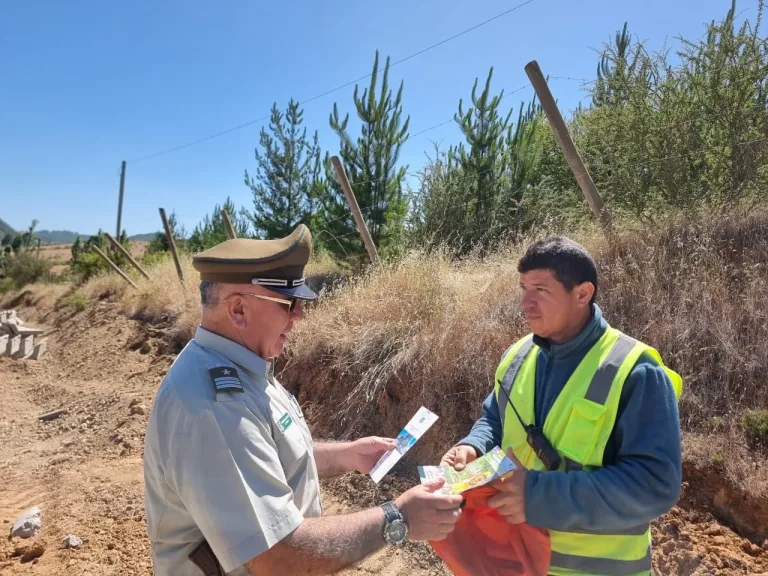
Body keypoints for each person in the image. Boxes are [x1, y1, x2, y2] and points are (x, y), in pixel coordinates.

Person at [143, 224, 463, 576]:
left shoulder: (243, 369)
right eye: (288, 303)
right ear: (238, 310)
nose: (299, 315)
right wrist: (397, 518)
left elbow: (266, 456)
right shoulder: (214, 405)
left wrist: (346, 455)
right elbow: (278, 556)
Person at [440, 236, 683, 576]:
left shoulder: (635, 371)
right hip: (516, 561)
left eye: (540, 289)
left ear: (582, 294)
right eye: (523, 288)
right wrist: (473, 445)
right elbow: (494, 418)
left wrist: (537, 496)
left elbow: (654, 485)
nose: (525, 302)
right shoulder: (517, 356)